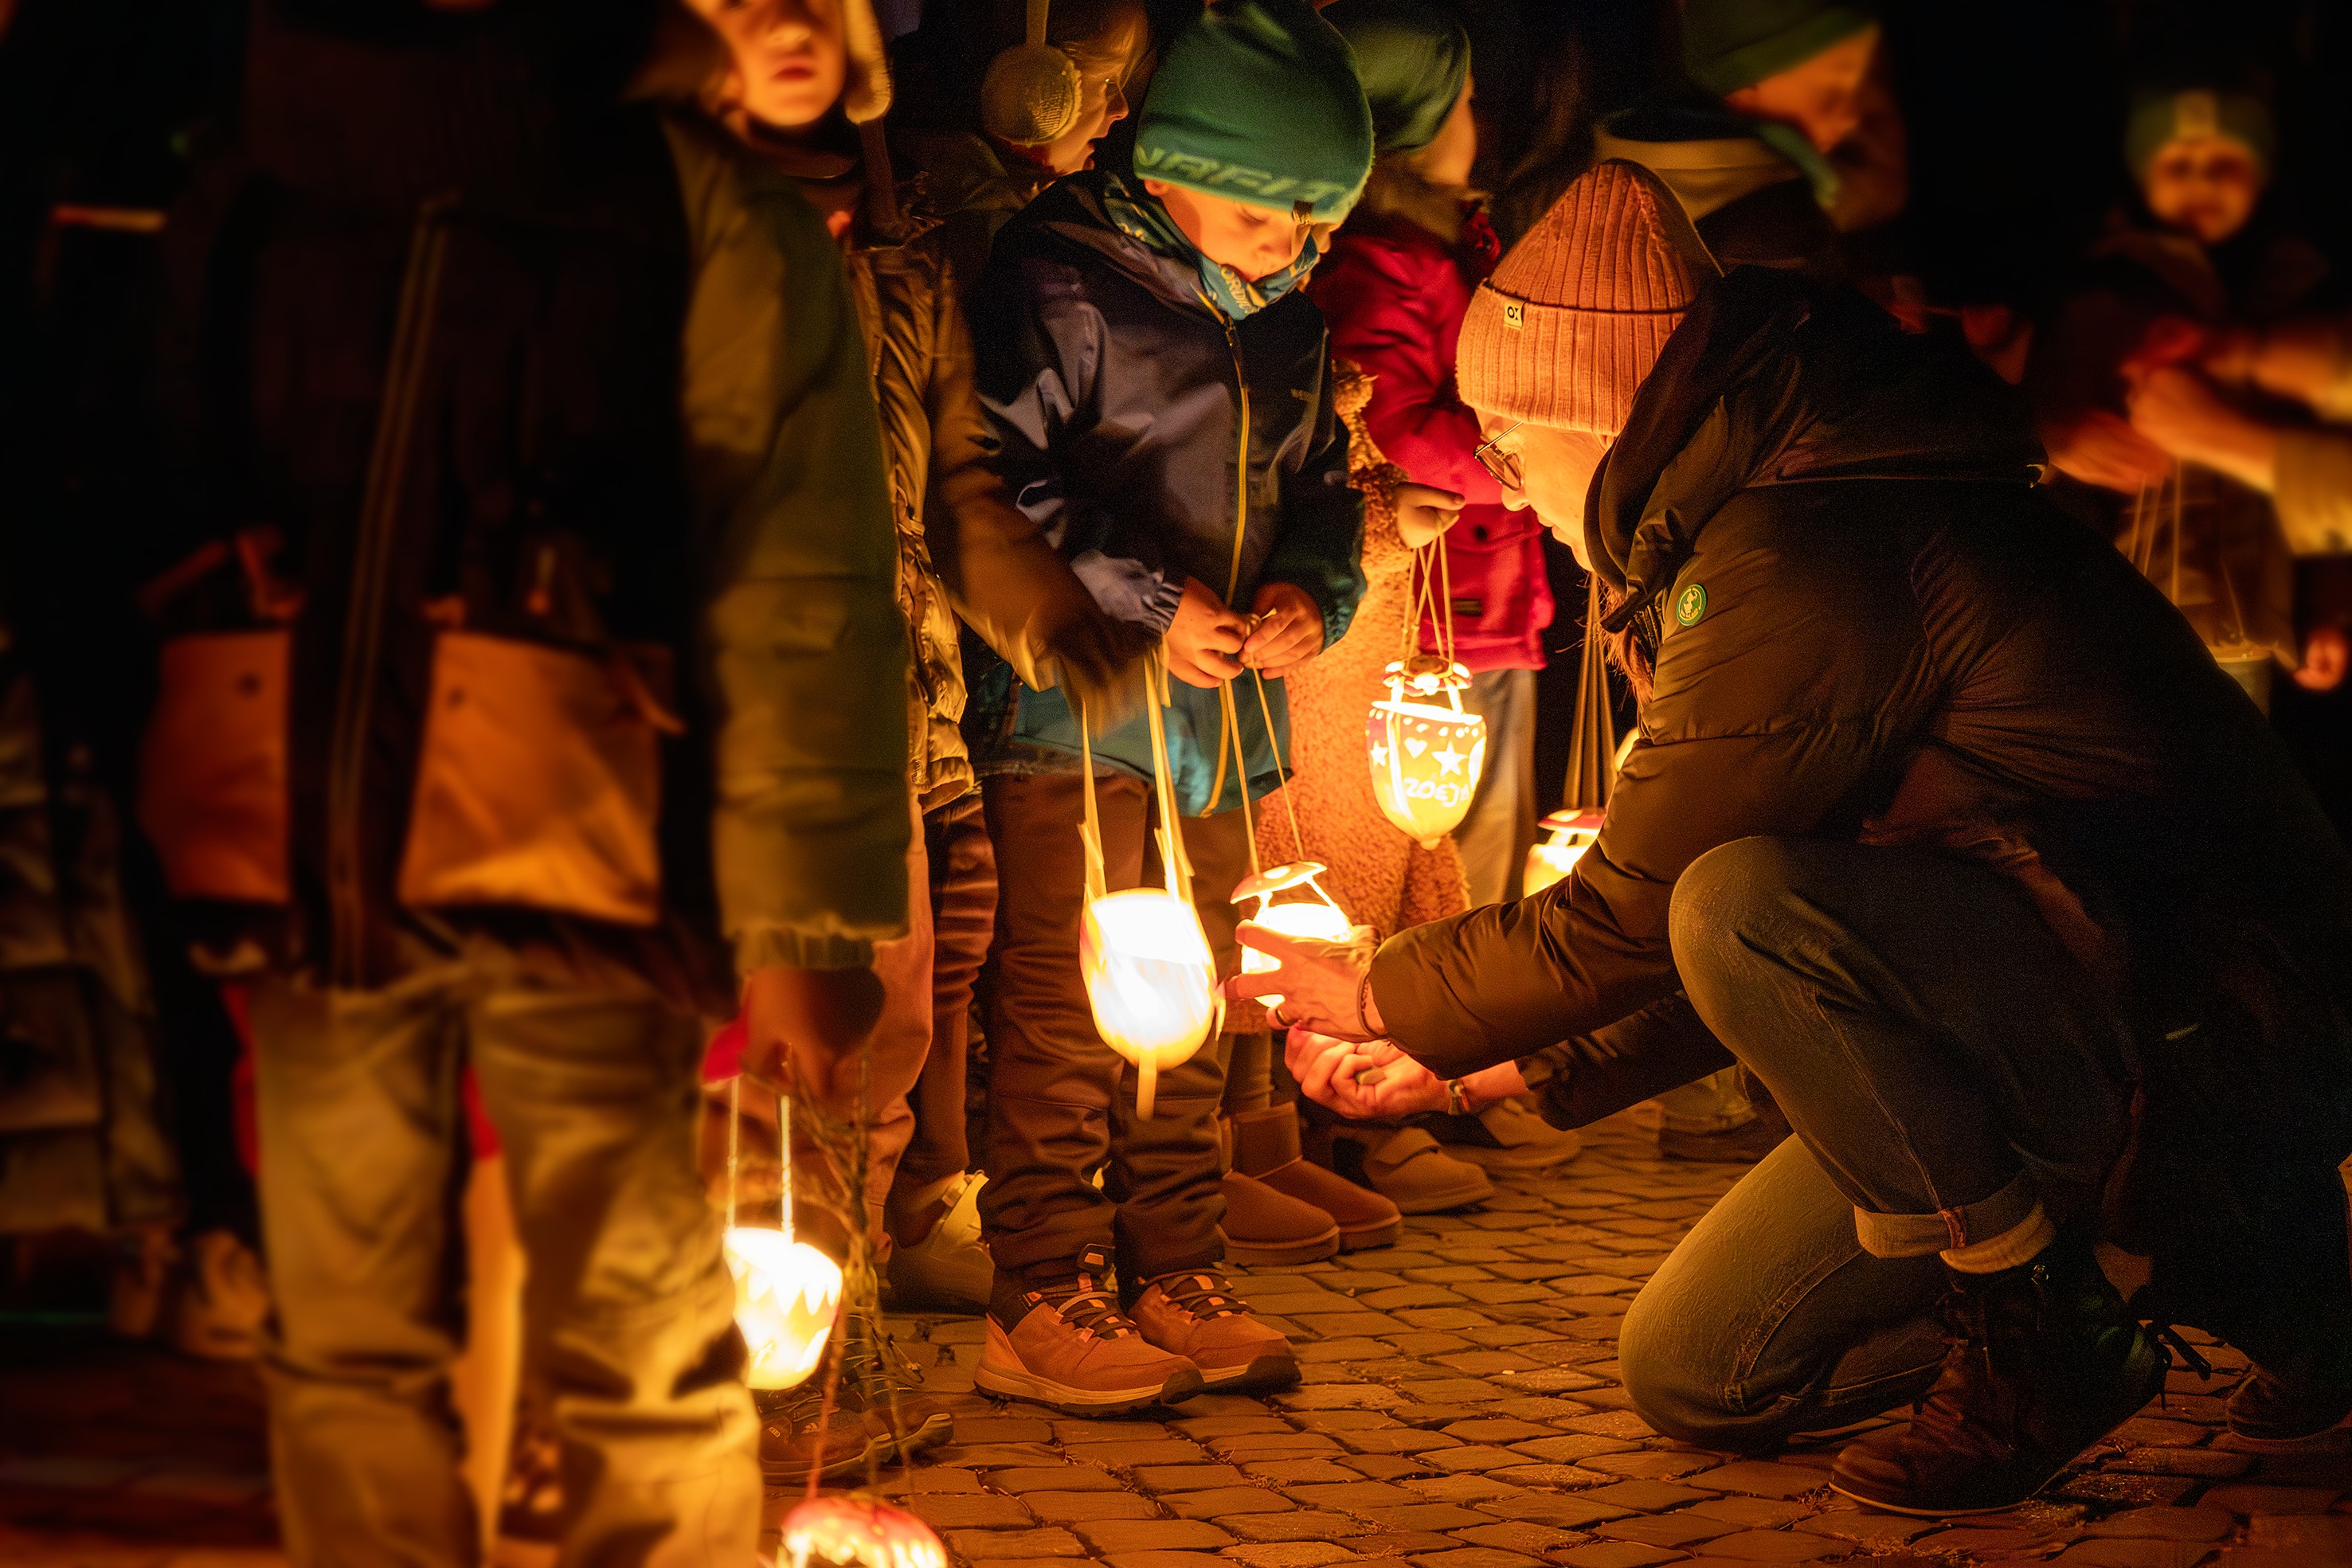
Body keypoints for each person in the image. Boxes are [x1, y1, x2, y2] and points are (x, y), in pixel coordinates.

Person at [1235, 161, 2352, 1515]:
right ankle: (2245, 1281)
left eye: (1512, 442)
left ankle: (2050, 1322)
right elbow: (1794, 955)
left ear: (1594, 410)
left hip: (2192, 1026)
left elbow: (1675, 911)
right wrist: (1491, 1071)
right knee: (1701, 1370)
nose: (1510, 489)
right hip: (2056, 1001)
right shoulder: (1761, 518)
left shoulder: (1808, 545)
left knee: (1735, 897)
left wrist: (1373, 986)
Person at [143, 2, 914, 1557]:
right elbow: (164, 489)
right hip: (340, 843)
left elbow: (795, 586)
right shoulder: (265, 167)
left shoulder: (686, 211)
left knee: (599, 1329)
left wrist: (798, 926)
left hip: (556, 849)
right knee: (386, 1334)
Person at [676, 0, 1150, 1476]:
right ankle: (708, 1387)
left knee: (882, 1040)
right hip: (724, 729)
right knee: (743, 1058)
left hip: (897, 708)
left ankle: (818, 1357)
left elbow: (960, 490)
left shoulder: (899, 267)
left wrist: (1054, 621)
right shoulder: (635, 244)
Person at [964, 0, 1369, 1413]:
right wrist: (1148, 601)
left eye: (1322, 219)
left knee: (1188, 999)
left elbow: (1325, 492)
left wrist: (1317, 593)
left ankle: (1174, 1267)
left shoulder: (1289, 326)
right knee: (1064, 1004)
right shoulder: (1057, 283)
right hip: (1074, 712)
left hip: (1216, 733)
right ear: (1187, 160)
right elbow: (1001, 485)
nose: (1301, 243)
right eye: (1277, 211)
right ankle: (1040, 1287)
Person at [1295, 0, 1579, 1196]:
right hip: (1423, 595)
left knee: (1481, 851)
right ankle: (1372, 1089)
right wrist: (1515, 448)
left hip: (1490, 584)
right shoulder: (1382, 265)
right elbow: (1393, 419)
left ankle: (1461, 1067)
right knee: (1402, 849)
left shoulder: (1459, 246)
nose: (1484, 121)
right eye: (1462, 102)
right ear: (1409, 125)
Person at [2029, 83, 2330, 710]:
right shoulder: (2105, 294)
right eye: (2177, 166)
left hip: (2248, 624)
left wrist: (2331, 605)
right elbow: (2038, 411)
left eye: (2225, 165)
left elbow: (2328, 463)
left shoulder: (2296, 303)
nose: (2202, 184)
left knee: (2241, 781)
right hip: (2129, 608)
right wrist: (2059, 434)